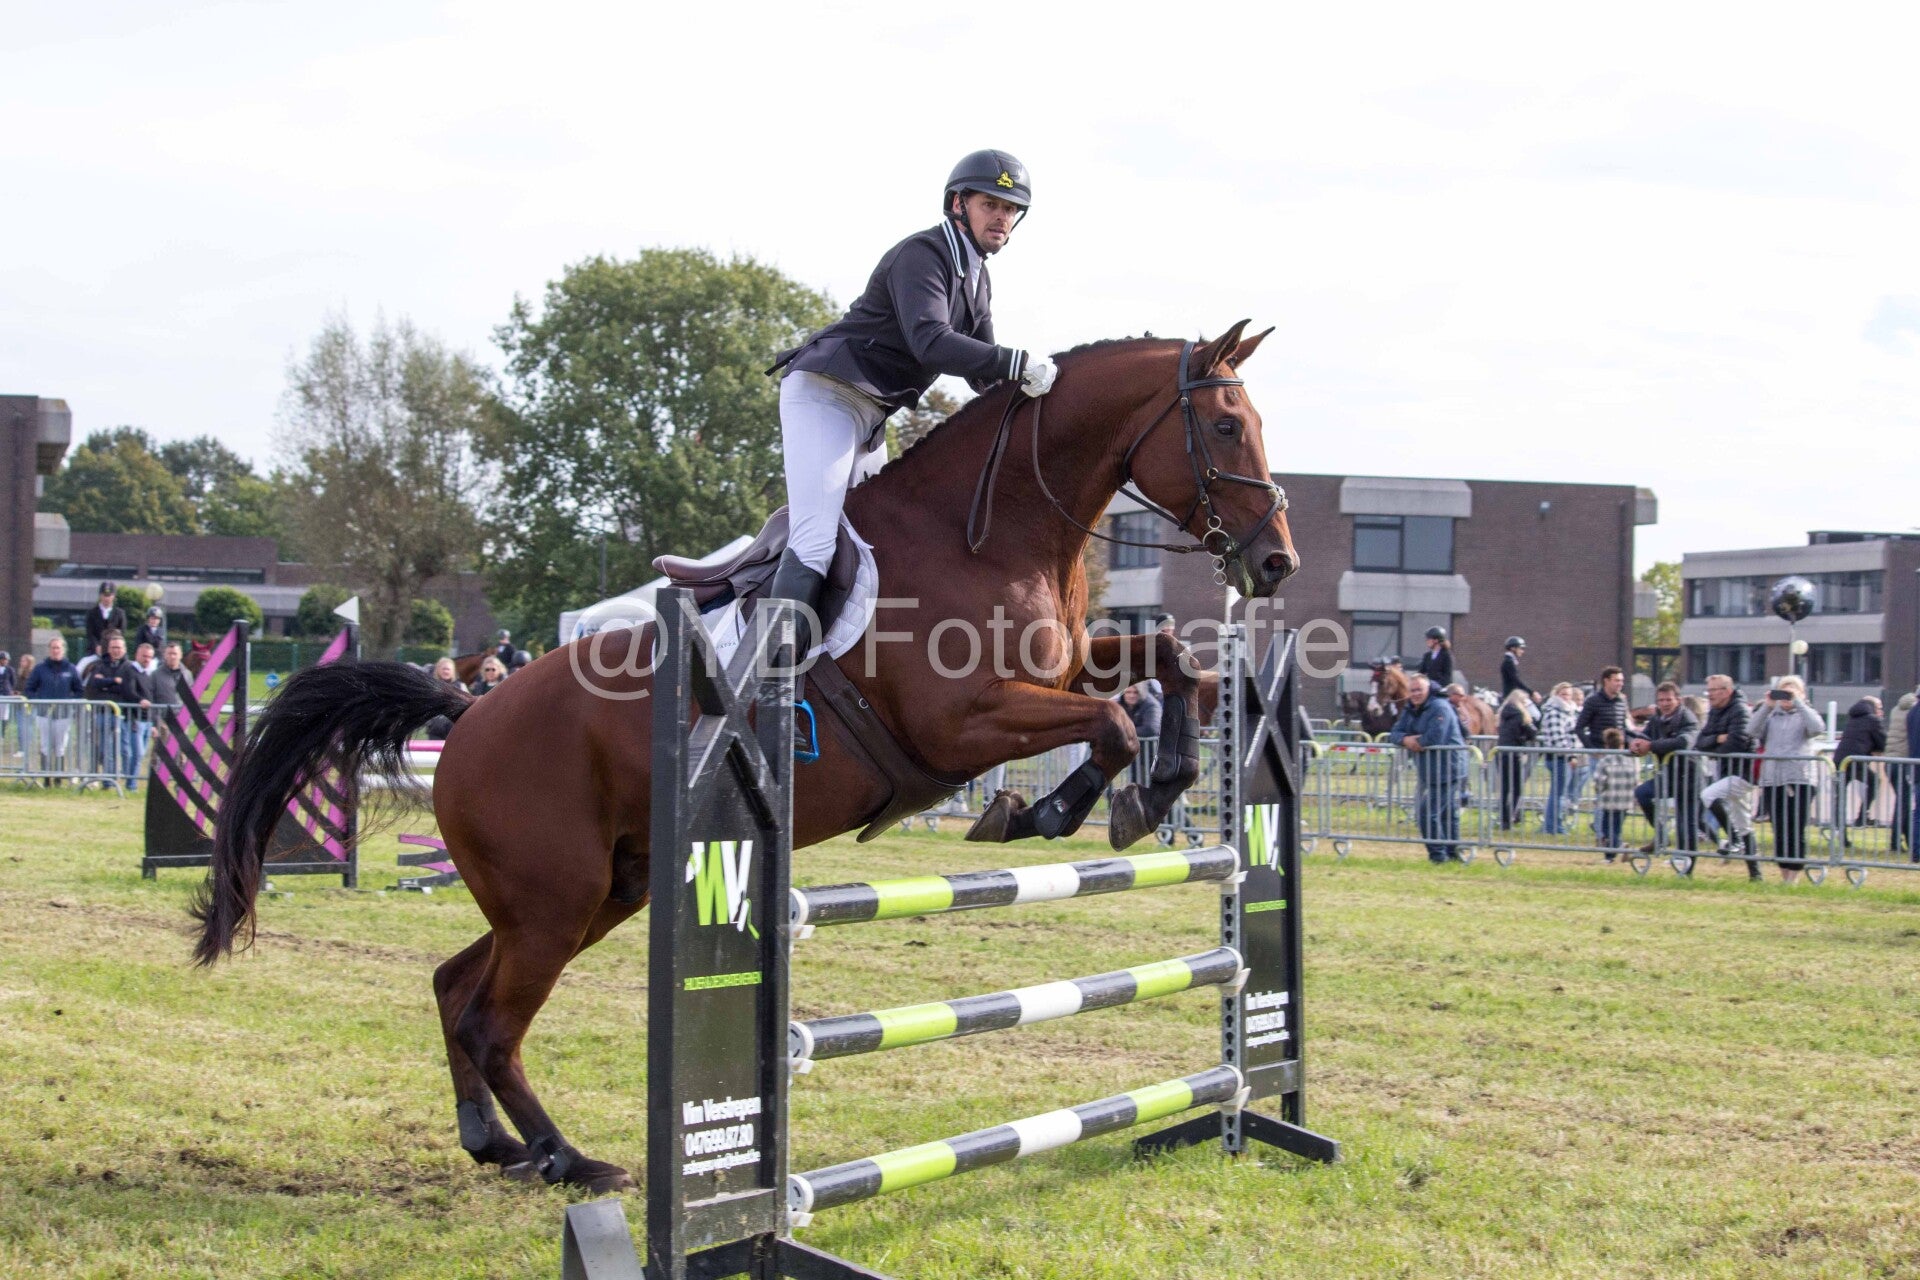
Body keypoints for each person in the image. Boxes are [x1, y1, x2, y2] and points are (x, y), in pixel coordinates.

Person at [764, 150, 1049, 654]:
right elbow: (931, 341)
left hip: (870, 415)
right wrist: (1015, 362)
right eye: (990, 204)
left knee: (874, 542)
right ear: (958, 204)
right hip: (827, 394)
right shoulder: (924, 254)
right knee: (816, 540)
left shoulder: (976, 278)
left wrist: (1041, 396)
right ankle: (770, 675)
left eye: (1010, 209)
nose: (1002, 217)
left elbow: (986, 377)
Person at [1747, 677, 1824, 884]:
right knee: (1779, 828)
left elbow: (1817, 728)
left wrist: (1799, 703)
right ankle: (1784, 873)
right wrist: (1766, 706)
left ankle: (1794, 876)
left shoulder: (1805, 714)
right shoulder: (1771, 716)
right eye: (1784, 692)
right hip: (1773, 779)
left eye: (1792, 692)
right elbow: (1751, 730)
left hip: (1800, 778)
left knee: (1795, 827)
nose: (1787, 697)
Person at [1391, 673, 1470, 863]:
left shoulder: (1440, 706)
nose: (1415, 694)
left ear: (1428, 689)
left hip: (1448, 767)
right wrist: (1406, 740)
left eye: (1419, 690)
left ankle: (1438, 855)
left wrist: (1415, 741)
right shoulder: (1410, 708)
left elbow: (1435, 737)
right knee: (1447, 813)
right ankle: (1452, 853)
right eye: (1412, 690)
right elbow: (1394, 733)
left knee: (1426, 814)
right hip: (1430, 768)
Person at [1695, 673, 1760, 880]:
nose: (1710, 694)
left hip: (1743, 773)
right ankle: (1756, 874)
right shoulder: (1716, 711)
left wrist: (1714, 745)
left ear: (1727, 691)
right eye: (1709, 690)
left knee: (1708, 795)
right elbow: (1700, 742)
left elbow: (1735, 744)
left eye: (1714, 690)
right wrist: (1717, 739)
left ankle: (1734, 840)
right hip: (1728, 772)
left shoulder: (1740, 710)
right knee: (1744, 824)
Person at [1629, 681, 1701, 855]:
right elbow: (1644, 736)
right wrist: (1635, 744)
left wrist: (1651, 746)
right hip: (1668, 774)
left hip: (1688, 778)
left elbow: (1683, 742)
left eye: (1669, 700)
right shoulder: (1657, 719)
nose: (1665, 704)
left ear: (1678, 700)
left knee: (1685, 825)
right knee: (1642, 793)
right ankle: (1661, 834)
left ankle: (1687, 864)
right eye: (1661, 700)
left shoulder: (1688, 718)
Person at [83, 631, 152, 790]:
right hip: (103, 713)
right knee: (106, 749)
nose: (116, 650)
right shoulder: (100, 665)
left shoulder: (129, 668)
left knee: (125, 749)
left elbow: (126, 689)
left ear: (124, 649)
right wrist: (114, 681)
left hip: (124, 715)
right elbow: (95, 684)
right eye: (113, 647)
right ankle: (108, 782)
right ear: (108, 649)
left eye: (119, 647)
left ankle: (127, 780)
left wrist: (106, 684)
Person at [24, 635, 83, 785]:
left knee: (60, 746)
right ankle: (46, 778)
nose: (55, 650)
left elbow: (79, 690)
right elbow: (29, 689)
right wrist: (38, 701)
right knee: (45, 745)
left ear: (63, 649)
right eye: (53, 648)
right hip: (44, 713)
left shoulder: (71, 669)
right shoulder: (40, 669)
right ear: (49, 650)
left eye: (58, 648)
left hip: (63, 714)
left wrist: (70, 702)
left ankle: (58, 778)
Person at [1571, 666, 1629, 814]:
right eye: (1616, 680)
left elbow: (1623, 727)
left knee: (1617, 793)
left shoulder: (1622, 701)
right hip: (1600, 754)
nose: (1620, 684)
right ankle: (1600, 827)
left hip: (1618, 754)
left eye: (1621, 681)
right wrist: (1592, 750)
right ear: (1606, 681)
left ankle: (1610, 826)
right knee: (1602, 794)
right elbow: (1579, 728)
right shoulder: (1593, 701)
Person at [1833, 696, 1886, 847]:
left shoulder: (1853, 718)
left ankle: (1841, 835)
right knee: (1874, 782)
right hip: (1855, 760)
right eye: (1879, 708)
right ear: (1873, 708)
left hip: (1840, 760)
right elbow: (1882, 742)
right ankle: (1862, 816)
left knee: (1840, 799)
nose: (1881, 712)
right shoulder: (1872, 720)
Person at [1537, 682, 1581, 835]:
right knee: (1558, 794)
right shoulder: (1554, 712)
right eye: (1563, 694)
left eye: (1569, 695)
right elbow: (1558, 738)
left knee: (1558, 793)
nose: (1567, 697)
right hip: (1559, 757)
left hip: (1564, 756)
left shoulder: (1568, 711)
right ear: (1556, 695)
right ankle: (1553, 826)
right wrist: (1571, 755)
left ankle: (1552, 824)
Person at [1593, 727, 1639, 858]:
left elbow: (1599, 781)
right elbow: (1635, 780)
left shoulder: (1605, 761)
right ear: (1622, 744)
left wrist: (1598, 791)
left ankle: (1613, 852)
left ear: (1606, 745)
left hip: (1609, 801)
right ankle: (1616, 849)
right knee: (1616, 828)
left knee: (1606, 829)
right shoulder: (1630, 760)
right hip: (1626, 800)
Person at [1496, 688, 1537, 830]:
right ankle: (1511, 816)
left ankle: (1504, 819)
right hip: (1515, 754)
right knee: (1517, 788)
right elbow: (1532, 733)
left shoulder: (1504, 713)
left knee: (1505, 788)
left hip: (1503, 753)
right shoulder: (1520, 715)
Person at [1888, 688, 1916, 856]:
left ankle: (1902, 839)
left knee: (1902, 802)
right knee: (1904, 803)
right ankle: (1896, 840)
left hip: (1890, 760)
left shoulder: (1896, 709)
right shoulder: (1914, 712)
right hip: (1903, 761)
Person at [1119, 681, 1163, 787]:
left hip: (1153, 752)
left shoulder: (1151, 705)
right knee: (1135, 780)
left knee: (1152, 781)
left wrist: (1122, 732)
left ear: (1141, 693)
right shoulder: (1120, 704)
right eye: (1128, 692)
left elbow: (1151, 729)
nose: (1131, 695)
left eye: (1135, 692)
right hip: (1135, 752)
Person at [84, 582, 127, 658]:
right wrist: (96, 646)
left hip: (115, 650)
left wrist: (113, 646)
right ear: (100, 596)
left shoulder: (120, 613)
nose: (106, 598)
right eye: (104, 595)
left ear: (113, 596)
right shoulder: (92, 613)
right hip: (95, 650)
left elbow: (121, 633)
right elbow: (90, 633)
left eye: (109, 595)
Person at [424, 657, 464, 740]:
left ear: (453, 671)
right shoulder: (431, 686)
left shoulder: (461, 687)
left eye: (448, 669)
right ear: (438, 670)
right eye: (443, 669)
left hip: (454, 728)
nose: (445, 671)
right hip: (435, 728)